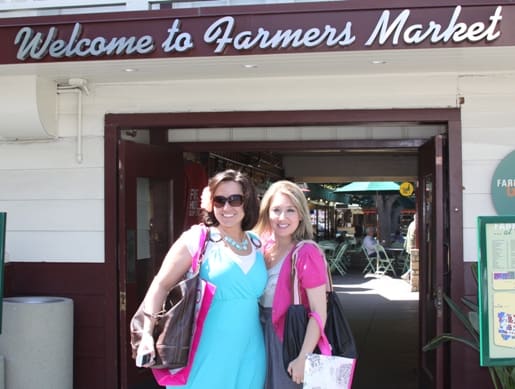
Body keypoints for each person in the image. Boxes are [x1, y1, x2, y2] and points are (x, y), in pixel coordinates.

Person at [135, 169, 267, 389]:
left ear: (248, 202)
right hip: (205, 349)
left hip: (251, 350)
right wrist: (147, 332)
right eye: (220, 200)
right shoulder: (198, 239)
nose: (227, 208)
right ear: (211, 203)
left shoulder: (256, 243)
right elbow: (160, 284)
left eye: (235, 200)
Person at [254, 180, 328, 388]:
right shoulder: (260, 248)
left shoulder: (307, 253)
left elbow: (319, 312)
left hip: (288, 341)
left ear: (301, 215)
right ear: (267, 213)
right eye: (276, 210)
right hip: (257, 339)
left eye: (290, 210)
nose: (282, 217)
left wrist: (303, 357)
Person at [402, 213, 417, 280]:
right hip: (412, 246)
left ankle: (407, 275)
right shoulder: (415, 225)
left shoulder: (411, 224)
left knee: (412, 263)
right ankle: (407, 275)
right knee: (413, 264)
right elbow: (412, 236)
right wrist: (414, 245)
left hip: (409, 246)